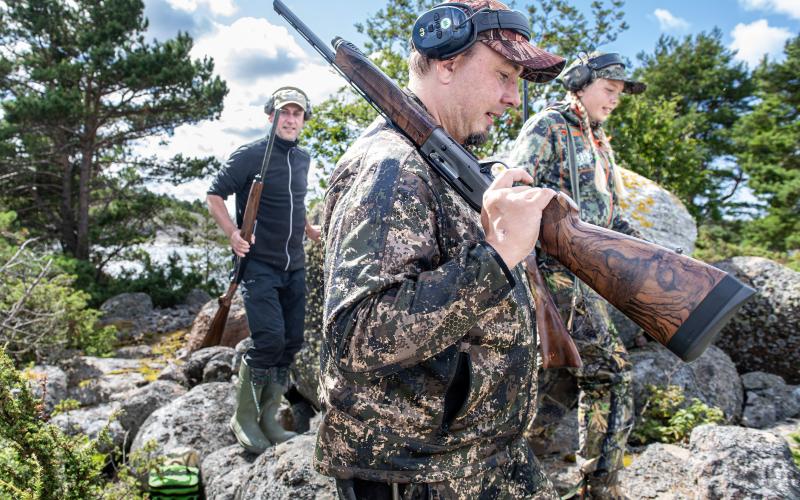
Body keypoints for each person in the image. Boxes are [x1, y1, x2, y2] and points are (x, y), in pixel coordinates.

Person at [316, 1, 567, 498]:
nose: (513, 98)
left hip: (482, 452)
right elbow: (358, 338)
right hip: (414, 473)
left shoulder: (450, 162)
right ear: (447, 64)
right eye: (503, 75)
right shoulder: (388, 168)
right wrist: (496, 254)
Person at [506, 52, 647, 499]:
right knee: (611, 372)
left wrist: (653, 254)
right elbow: (513, 195)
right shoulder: (548, 127)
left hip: (591, 277)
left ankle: (515, 470)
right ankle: (599, 487)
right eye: (609, 90)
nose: (615, 100)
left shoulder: (598, 141)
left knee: (561, 380)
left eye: (619, 94)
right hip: (554, 274)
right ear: (579, 84)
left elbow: (610, 216)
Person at [206, 86, 321, 454]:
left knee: (291, 343)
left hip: (295, 264)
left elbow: (295, 201)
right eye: (283, 113)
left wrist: (308, 229)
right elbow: (214, 195)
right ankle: (244, 418)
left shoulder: (302, 158)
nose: (290, 119)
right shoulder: (250, 155)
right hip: (259, 265)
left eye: (296, 114)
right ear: (270, 116)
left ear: (303, 120)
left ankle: (271, 419)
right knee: (268, 340)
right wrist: (233, 234)